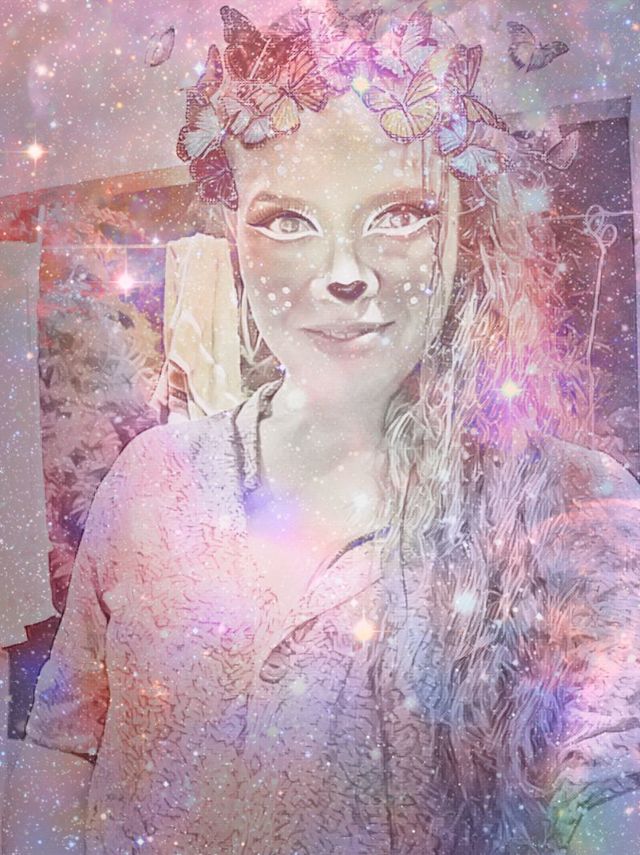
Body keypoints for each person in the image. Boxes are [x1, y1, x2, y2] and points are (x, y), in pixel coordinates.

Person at [4, 2, 640, 853]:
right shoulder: (152, 477)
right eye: (287, 220)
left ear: (464, 227)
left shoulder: (567, 504)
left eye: (399, 212)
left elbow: (610, 792)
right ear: (233, 235)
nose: (344, 272)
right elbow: (63, 744)